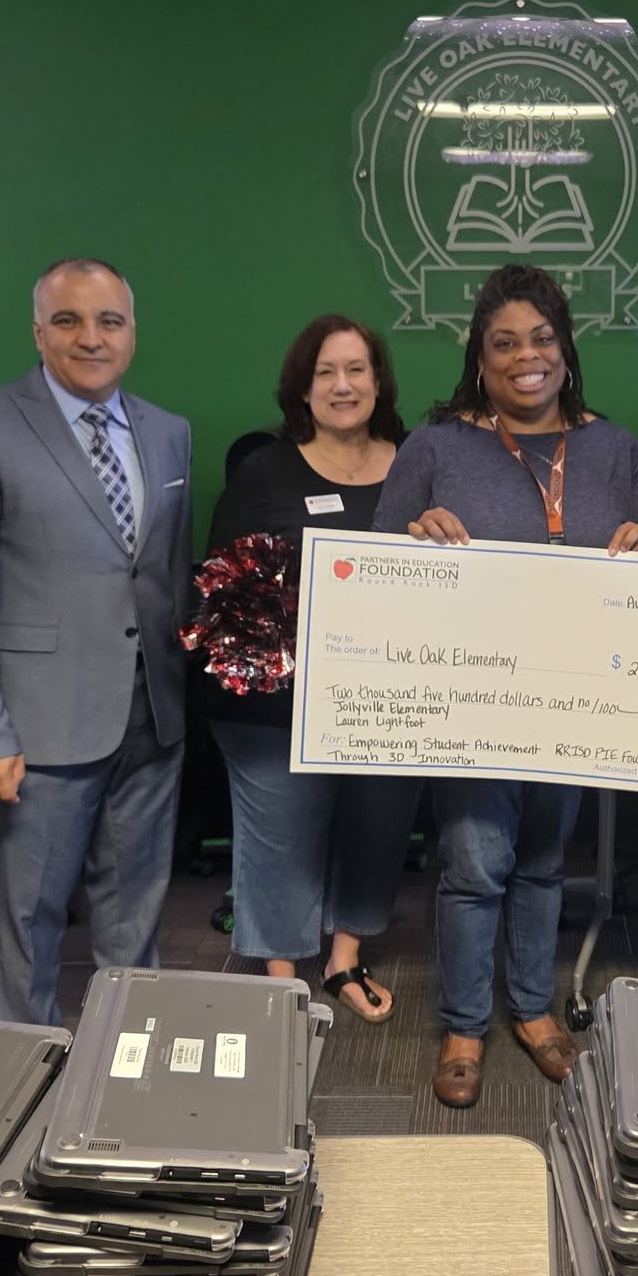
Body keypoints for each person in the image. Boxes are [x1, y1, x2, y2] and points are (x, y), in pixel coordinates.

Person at [373, 262, 638, 1108]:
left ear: (565, 350)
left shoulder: (613, 448)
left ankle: (533, 1010)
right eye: (504, 343)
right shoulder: (436, 447)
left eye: (541, 339)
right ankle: (465, 1024)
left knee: (541, 858)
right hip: (471, 697)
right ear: (480, 358)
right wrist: (416, 537)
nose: (525, 357)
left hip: (576, 693)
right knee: (474, 861)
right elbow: (378, 564)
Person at [0, 257, 192, 1025]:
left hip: (151, 713)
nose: (91, 338)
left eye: (110, 320)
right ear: (38, 332)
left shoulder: (168, 432)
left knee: (137, 904)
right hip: (39, 724)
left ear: (132, 332)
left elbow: (164, 571)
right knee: (33, 913)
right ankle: (27, 1060)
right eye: (68, 320)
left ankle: (126, 1045)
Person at [202, 315, 422, 1021]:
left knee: (377, 826)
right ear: (302, 388)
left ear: (379, 381)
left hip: (390, 699)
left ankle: (344, 959)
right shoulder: (264, 472)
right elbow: (223, 592)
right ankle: (281, 977)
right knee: (281, 837)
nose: (342, 385)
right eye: (325, 372)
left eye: (356, 369)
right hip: (278, 706)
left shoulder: (417, 465)